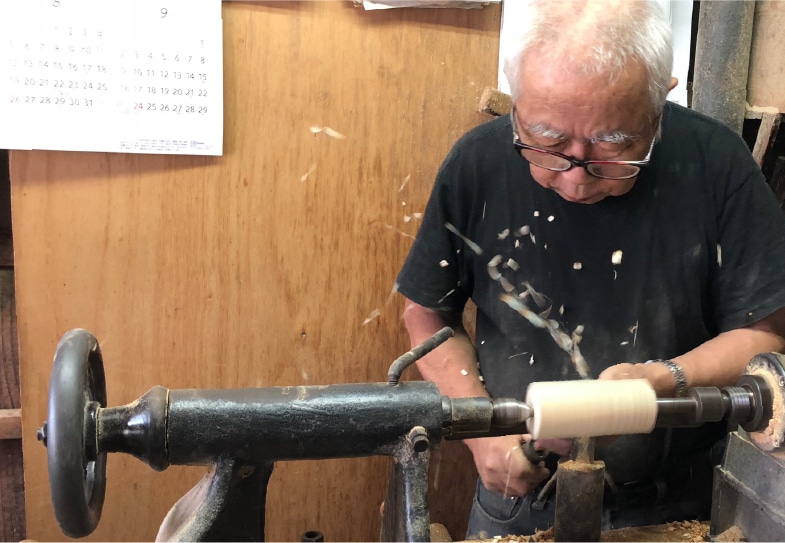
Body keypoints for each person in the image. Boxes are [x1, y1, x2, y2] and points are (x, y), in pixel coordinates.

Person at [395, 0, 785, 538]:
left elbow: (763, 334)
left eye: (613, 145)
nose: (576, 177)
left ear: (661, 100)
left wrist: (663, 379)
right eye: (548, 142)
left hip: (682, 498)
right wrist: (481, 430)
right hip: (522, 493)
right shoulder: (477, 164)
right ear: (517, 104)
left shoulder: (717, 164)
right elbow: (426, 314)